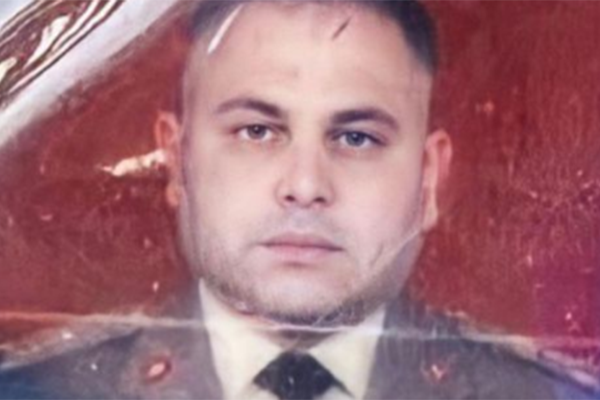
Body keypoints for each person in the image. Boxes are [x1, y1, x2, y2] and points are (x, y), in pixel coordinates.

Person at [0, 0, 597, 399]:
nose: (306, 185)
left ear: (429, 178)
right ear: (176, 159)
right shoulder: (39, 392)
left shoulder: (545, 398)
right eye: (257, 131)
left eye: (357, 138)